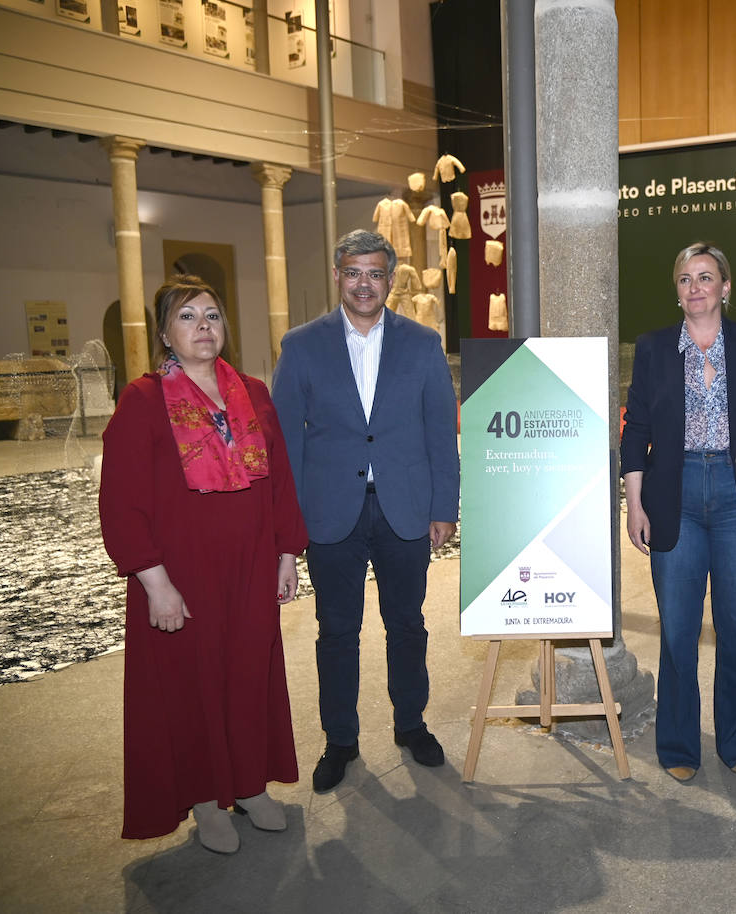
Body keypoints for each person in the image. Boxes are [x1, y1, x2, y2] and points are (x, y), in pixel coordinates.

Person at [99, 276, 307, 853]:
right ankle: (204, 798)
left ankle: (248, 784)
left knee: (248, 671)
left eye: (212, 315)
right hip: (181, 573)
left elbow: (281, 479)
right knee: (190, 684)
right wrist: (154, 583)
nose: (203, 327)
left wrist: (285, 553)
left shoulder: (254, 393)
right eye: (187, 317)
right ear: (165, 333)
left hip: (248, 567)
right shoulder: (142, 400)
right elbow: (121, 500)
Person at [271, 230, 460, 792]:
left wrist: (443, 506)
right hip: (332, 513)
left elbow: (438, 433)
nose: (363, 284)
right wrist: (289, 523)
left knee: (407, 625)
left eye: (375, 274)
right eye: (353, 272)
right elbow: (285, 443)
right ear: (337, 276)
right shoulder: (301, 346)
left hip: (404, 509)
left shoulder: (423, 344)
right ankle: (341, 740)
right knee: (336, 632)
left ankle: (411, 724)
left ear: (390, 279)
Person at [620, 243, 736, 783]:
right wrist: (634, 504)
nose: (695, 287)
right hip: (672, 493)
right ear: (677, 292)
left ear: (725, 287)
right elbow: (635, 431)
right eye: (685, 279)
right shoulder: (656, 348)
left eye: (706, 277)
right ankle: (679, 742)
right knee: (678, 631)